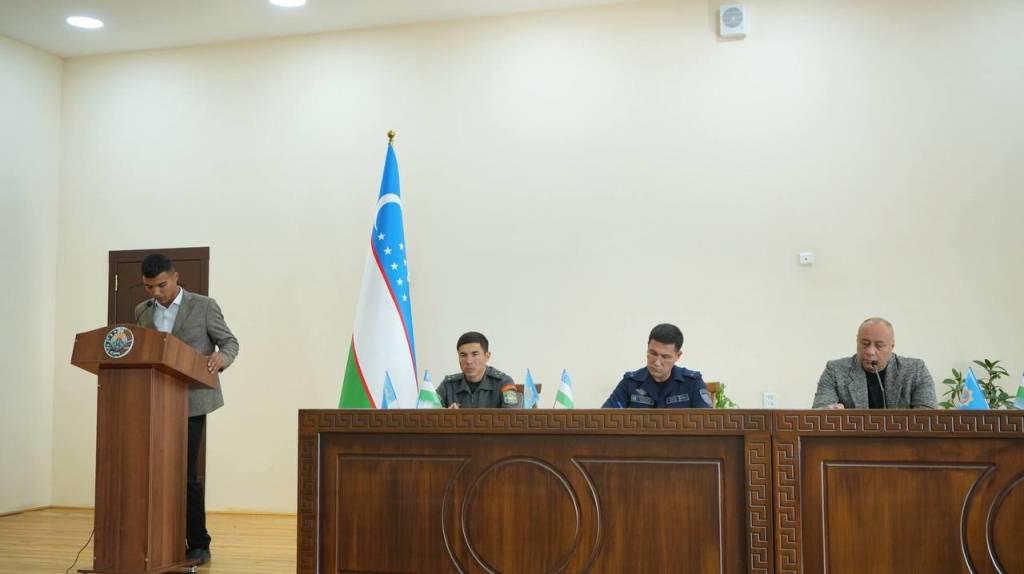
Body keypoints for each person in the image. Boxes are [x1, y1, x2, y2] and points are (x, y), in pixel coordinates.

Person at [134, 254, 239, 565]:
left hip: (191, 402)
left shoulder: (204, 306)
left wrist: (221, 359)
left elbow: (229, 343)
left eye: (161, 285)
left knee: (185, 473)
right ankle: (162, 541)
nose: (156, 293)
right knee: (154, 472)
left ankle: (198, 543)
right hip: (153, 401)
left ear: (176, 277)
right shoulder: (142, 311)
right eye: (149, 287)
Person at [812, 317, 936, 409]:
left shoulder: (915, 370)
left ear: (892, 346)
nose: (870, 351)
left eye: (879, 345)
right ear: (857, 341)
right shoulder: (835, 371)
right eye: (865, 344)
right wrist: (828, 411)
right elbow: (819, 412)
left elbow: (927, 415)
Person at [602, 323, 712, 408]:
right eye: (653, 353)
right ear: (647, 348)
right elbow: (605, 416)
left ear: (678, 355)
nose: (657, 362)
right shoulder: (631, 382)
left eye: (665, 357)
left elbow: (706, 422)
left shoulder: (692, 382)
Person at [436, 331, 518, 408]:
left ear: (487, 356)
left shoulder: (503, 383)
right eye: (463, 355)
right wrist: (446, 413)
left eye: (475, 354)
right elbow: (430, 408)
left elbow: (511, 415)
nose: (469, 361)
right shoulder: (448, 385)